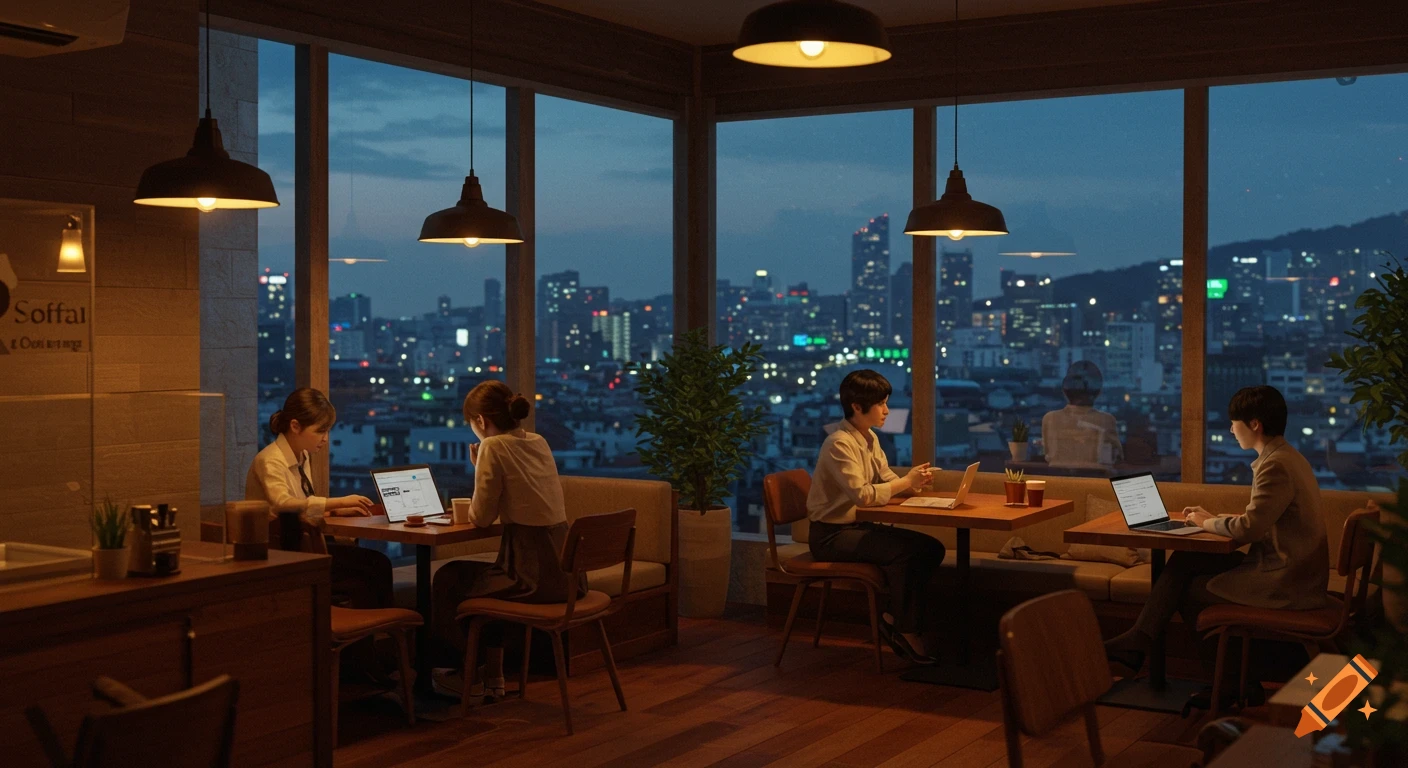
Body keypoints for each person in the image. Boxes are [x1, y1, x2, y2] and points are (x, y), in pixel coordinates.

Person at [1104, 385, 1328, 707]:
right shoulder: (1286, 457)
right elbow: (1260, 518)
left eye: (1234, 422)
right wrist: (1212, 518)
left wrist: (1204, 523)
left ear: (1254, 425)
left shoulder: (1276, 466)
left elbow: (1250, 528)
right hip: (1290, 567)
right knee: (1184, 560)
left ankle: (1230, 681)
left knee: (1190, 590)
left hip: (1286, 580)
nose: (1230, 429)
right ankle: (1142, 642)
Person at [431, 380, 581, 699]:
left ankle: (465, 675)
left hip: (531, 576)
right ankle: (493, 676)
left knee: (448, 578)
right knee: (487, 581)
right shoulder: (538, 441)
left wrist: (479, 468)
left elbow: (481, 517)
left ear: (481, 421)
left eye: (472, 424)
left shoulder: (492, 446)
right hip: (568, 576)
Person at [807, 369, 944, 664]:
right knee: (905, 552)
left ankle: (895, 618)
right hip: (830, 535)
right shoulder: (839, 443)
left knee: (932, 548)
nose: (886, 411)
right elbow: (865, 496)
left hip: (855, 527)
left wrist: (913, 484)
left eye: (886, 403)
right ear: (857, 407)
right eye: (881, 404)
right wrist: (905, 483)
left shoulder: (869, 439)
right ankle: (904, 629)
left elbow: (885, 480)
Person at [246, 387, 392, 609]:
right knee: (375, 566)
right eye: (320, 431)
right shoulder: (270, 460)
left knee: (374, 565)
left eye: (328, 431)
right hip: (281, 554)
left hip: (299, 545)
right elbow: (282, 504)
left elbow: (303, 506)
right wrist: (339, 502)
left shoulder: (302, 455)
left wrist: (334, 511)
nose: (325, 439)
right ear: (295, 426)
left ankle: (362, 636)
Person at [1041, 361, 1124, 469]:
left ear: (1065, 391)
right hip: (1097, 483)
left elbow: (1047, 455)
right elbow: (1118, 456)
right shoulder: (1106, 420)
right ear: (1097, 392)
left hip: (1058, 482)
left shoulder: (1050, 418)